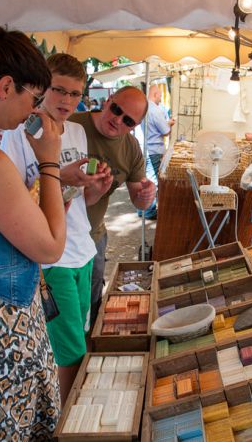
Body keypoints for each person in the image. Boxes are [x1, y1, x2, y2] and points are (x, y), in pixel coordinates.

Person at [1, 53, 113, 406]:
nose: (66, 100)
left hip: (82, 248)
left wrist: (97, 187)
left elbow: (82, 200)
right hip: (52, 259)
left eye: (75, 93)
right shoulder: (19, 133)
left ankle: (68, 413)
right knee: (71, 351)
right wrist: (59, 176)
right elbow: (13, 203)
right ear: (41, 88)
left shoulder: (76, 131)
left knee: (78, 335)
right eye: (58, 90)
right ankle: (67, 419)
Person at [0, 26, 66, 438]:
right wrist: (49, 162)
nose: (33, 112)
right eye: (33, 99)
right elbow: (50, 246)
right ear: (5, 87)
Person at [69, 86, 156, 327]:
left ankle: (88, 343)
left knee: (91, 301)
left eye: (127, 120)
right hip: (57, 238)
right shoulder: (71, 125)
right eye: (116, 110)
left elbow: (139, 200)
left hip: (93, 236)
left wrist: (147, 195)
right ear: (108, 101)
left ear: (135, 126)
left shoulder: (131, 148)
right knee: (60, 311)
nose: (117, 120)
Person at [135, 84, 175, 219]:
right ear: (155, 94)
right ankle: (149, 211)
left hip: (144, 148)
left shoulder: (143, 107)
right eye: (160, 95)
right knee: (152, 182)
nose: (161, 98)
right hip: (154, 149)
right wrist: (169, 124)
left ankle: (142, 209)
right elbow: (165, 131)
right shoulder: (155, 110)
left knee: (143, 180)